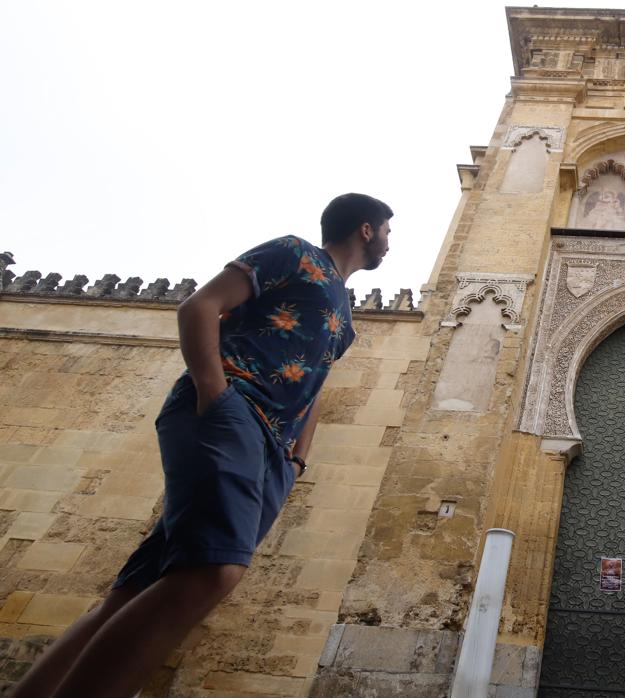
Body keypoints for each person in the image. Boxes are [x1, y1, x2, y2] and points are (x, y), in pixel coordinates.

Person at [12, 193, 393, 698]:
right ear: (366, 229)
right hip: (233, 412)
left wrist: (297, 457)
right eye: (388, 230)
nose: (390, 242)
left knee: (132, 593)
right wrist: (215, 394)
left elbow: (315, 383)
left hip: (271, 449)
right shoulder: (295, 253)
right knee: (213, 570)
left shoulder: (344, 312)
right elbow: (202, 305)